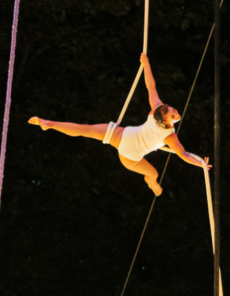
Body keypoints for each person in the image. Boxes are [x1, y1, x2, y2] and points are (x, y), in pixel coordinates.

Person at [29, 53, 209, 195]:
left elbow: (151, 86)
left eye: (175, 112)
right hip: (129, 155)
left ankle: (48, 123)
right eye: (173, 115)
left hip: (121, 135)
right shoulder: (170, 136)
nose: (177, 115)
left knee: (85, 130)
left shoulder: (156, 109)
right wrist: (199, 164)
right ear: (163, 120)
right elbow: (184, 154)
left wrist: (146, 64)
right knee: (153, 174)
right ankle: (152, 184)